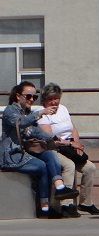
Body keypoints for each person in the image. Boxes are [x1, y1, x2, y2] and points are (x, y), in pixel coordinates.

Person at [0, 81, 78, 218]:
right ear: (18, 96)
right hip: (11, 156)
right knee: (42, 166)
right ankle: (45, 208)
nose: (32, 99)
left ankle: (59, 189)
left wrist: (54, 139)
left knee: (49, 155)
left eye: (34, 97)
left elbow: (34, 131)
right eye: (28, 96)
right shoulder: (10, 111)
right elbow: (21, 123)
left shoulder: (26, 112)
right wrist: (41, 112)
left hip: (23, 153)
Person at [37, 83, 99, 217]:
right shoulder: (42, 114)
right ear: (44, 100)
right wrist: (71, 144)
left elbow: (72, 128)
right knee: (69, 166)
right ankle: (65, 205)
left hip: (69, 148)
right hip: (53, 149)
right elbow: (50, 138)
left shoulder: (63, 109)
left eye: (56, 98)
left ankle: (85, 203)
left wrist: (77, 143)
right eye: (50, 99)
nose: (54, 102)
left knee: (90, 168)